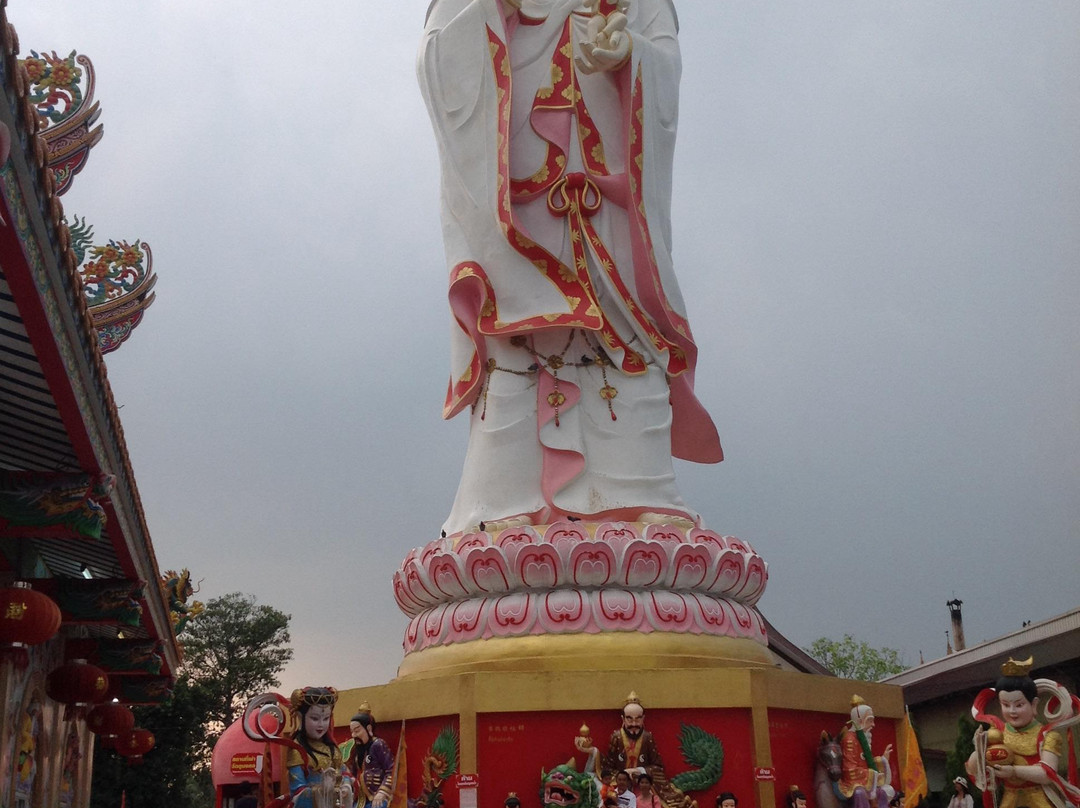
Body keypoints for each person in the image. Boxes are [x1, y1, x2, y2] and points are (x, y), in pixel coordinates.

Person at [418, 0, 723, 537]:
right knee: (517, 327)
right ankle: (502, 494)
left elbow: (666, 68)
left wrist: (630, 55)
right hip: (519, 201)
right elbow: (438, 58)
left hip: (609, 202)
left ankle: (638, 490)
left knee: (625, 328)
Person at [965, 657, 1079, 808]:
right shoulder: (998, 734)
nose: (1012, 711)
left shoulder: (1047, 736)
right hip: (1010, 798)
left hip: (1041, 797)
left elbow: (1047, 774)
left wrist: (1013, 771)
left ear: (1034, 704)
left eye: (1019, 705)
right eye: (1006, 705)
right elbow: (978, 771)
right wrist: (980, 752)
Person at [600, 693, 691, 808]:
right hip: (621, 785)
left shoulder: (648, 737)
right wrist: (624, 774)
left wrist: (639, 770)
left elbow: (658, 767)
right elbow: (607, 768)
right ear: (623, 718)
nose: (634, 724)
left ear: (643, 718)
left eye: (638, 719)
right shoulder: (616, 737)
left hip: (643, 784)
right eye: (630, 719)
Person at [284, 687, 351, 808]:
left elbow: (345, 773)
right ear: (300, 717)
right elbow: (297, 793)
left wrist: (346, 786)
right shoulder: (297, 751)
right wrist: (321, 791)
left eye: (326, 719)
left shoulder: (333, 750)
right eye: (315, 718)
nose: (321, 724)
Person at [838, 696, 894, 808]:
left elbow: (867, 762)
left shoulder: (863, 738)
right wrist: (873, 775)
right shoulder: (850, 740)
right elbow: (850, 771)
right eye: (870, 720)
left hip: (866, 781)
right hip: (853, 784)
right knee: (860, 793)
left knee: (884, 791)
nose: (873, 725)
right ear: (859, 721)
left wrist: (882, 760)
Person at [341, 704, 395, 808]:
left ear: (369, 729)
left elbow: (391, 770)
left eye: (357, 731)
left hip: (377, 795)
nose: (353, 735)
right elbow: (353, 772)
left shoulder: (378, 744)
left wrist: (382, 792)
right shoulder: (356, 748)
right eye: (352, 732)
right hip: (360, 797)